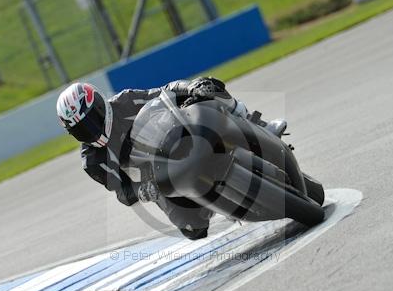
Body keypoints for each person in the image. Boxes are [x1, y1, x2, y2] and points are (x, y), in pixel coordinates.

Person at [55, 77, 286, 240]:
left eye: (92, 120)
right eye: (81, 129)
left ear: (99, 104)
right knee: (194, 230)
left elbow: (165, 91)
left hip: (176, 135)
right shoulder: (93, 160)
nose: (91, 130)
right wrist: (141, 191)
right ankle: (216, 201)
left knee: (208, 91)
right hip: (158, 177)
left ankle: (258, 125)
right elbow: (121, 191)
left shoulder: (125, 101)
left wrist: (192, 88)